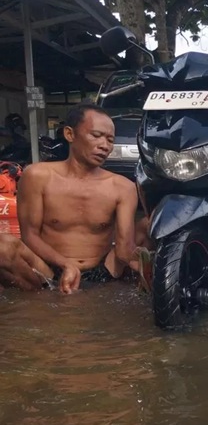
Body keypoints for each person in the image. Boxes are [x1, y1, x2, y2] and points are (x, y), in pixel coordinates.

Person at [16, 102, 147, 294]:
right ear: (70, 134)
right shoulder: (37, 176)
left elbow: (124, 248)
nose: (104, 146)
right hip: (49, 269)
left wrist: (146, 263)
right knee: (4, 246)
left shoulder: (123, 187)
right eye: (96, 135)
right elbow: (29, 236)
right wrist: (66, 264)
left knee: (150, 224)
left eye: (110, 140)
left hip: (103, 270)